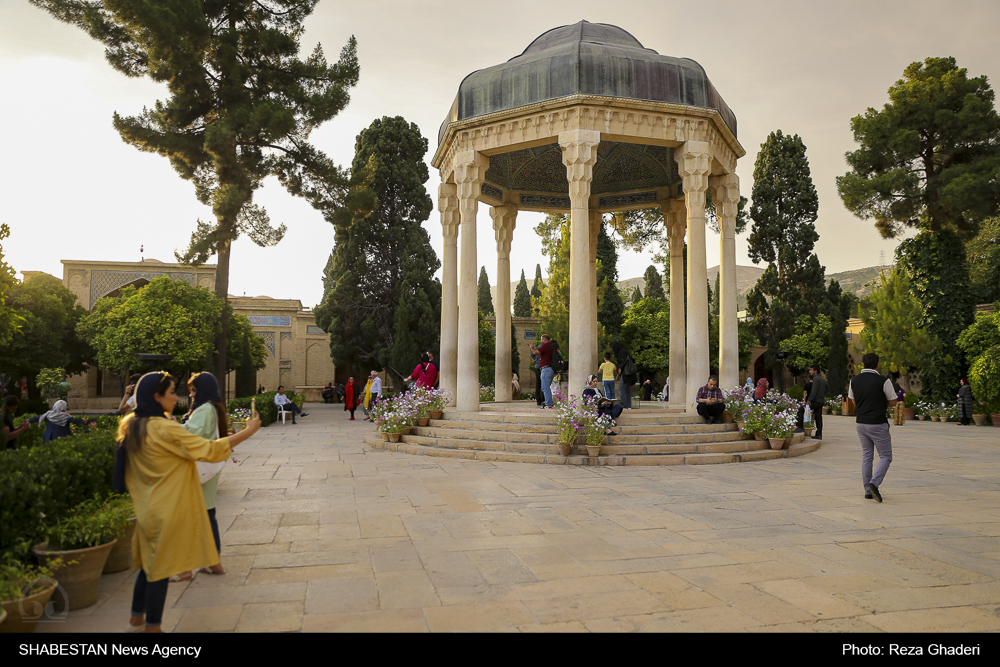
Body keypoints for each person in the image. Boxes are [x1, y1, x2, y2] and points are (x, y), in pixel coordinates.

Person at [118, 372, 261, 633]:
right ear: (157, 397)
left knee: (149, 566)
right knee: (161, 569)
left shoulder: (132, 425)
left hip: (146, 507)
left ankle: (136, 618)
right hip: (168, 509)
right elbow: (208, 448)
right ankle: (153, 628)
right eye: (172, 392)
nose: (178, 397)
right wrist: (249, 432)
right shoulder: (165, 428)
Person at [173, 372, 229, 581]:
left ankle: (186, 567)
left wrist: (168, 424)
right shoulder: (214, 408)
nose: (192, 395)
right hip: (206, 469)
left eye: (194, 390)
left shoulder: (205, 410)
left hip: (198, 469)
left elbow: (189, 435)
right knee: (207, 515)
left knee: (191, 519)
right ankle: (214, 563)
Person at [848, 352, 897, 503]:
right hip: (877, 423)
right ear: (877, 364)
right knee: (886, 455)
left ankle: (866, 490)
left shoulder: (854, 381)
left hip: (861, 423)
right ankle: (874, 484)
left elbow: (853, 401)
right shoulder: (883, 381)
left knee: (867, 455)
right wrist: (881, 405)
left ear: (863, 364)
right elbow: (893, 401)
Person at [529, 334, 556, 408]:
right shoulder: (551, 347)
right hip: (549, 369)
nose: (541, 341)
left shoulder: (546, 346)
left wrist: (532, 348)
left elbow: (535, 353)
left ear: (544, 340)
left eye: (541, 340)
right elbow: (541, 355)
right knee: (546, 387)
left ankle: (548, 404)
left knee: (544, 387)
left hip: (546, 369)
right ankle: (550, 403)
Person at [612, 341, 637, 410]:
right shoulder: (625, 350)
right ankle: (628, 405)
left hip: (626, 373)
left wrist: (620, 368)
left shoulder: (621, 352)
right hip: (630, 373)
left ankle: (624, 405)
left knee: (622, 389)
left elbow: (624, 361)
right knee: (627, 389)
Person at [806, 366, 827, 439]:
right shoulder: (822, 379)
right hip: (821, 400)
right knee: (818, 417)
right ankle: (819, 434)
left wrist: (809, 400)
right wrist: (822, 395)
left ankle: (800, 427)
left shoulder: (816, 379)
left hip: (816, 401)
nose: (810, 371)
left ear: (816, 371)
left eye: (811, 370)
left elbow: (814, 391)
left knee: (802, 410)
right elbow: (827, 388)